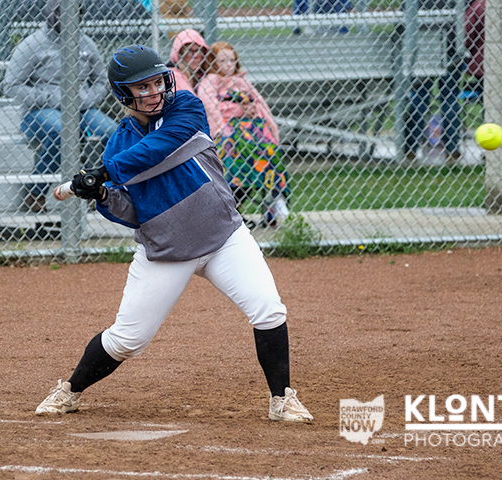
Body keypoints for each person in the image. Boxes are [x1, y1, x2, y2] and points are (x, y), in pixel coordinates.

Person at [34, 44, 313, 423]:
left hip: (223, 237)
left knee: (268, 308)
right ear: (123, 94)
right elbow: (131, 212)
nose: (154, 92)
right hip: (167, 251)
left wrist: (104, 171)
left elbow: (157, 148)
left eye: (157, 83)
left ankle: (282, 399)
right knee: (128, 339)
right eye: (142, 87)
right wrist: (101, 194)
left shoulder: (186, 108)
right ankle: (70, 390)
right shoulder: (117, 146)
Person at [3, 0, 118, 213]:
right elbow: (11, 85)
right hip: (40, 112)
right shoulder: (32, 45)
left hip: (82, 109)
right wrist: (50, 98)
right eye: (59, 11)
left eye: (76, 11)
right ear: (48, 13)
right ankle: (35, 192)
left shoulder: (86, 44)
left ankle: (98, 189)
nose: (67, 16)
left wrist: (84, 99)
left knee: (112, 132)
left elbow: (102, 82)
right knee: (63, 131)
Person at [198, 41, 290, 228]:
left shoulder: (242, 81)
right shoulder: (211, 81)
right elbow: (210, 105)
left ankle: (276, 197)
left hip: (253, 130)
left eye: (232, 60)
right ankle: (232, 206)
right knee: (235, 152)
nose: (228, 65)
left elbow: (259, 103)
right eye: (222, 61)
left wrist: (270, 126)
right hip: (230, 130)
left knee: (270, 150)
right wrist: (232, 115)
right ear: (213, 63)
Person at [403, 0, 462, 163]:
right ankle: (452, 149)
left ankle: (410, 148)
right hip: (450, 45)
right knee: (450, 98)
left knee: (419, 96)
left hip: (421, 47)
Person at [168, 29, 210, 94]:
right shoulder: (174, 74)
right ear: (180, 54)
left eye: (198, 50)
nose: (195, 55)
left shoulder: (205, 74)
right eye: (189, 51)